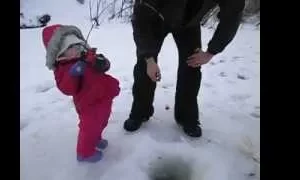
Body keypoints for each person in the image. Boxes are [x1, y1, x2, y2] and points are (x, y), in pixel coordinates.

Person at [123, 0, 245, 137]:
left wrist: (211, 51)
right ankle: (140, 112)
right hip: (154, 19)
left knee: (192, 64)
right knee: (144, 66)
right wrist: (148, 58)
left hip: (189, 22)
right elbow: (140, 19)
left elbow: (232, 14)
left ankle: (187, 116)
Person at [42, 24, 120, 162]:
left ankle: (96, 138)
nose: (76, 50)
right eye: (70, 48)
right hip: (88, 104)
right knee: (89, 127)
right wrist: (74, 74)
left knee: (102, 121)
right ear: (60, 53)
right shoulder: (62, 68)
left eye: (78, 45)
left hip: (103, 97)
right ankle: (84, 153)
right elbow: (66, 88)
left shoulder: (88, 56)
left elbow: (105, 67)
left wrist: (102, 62)